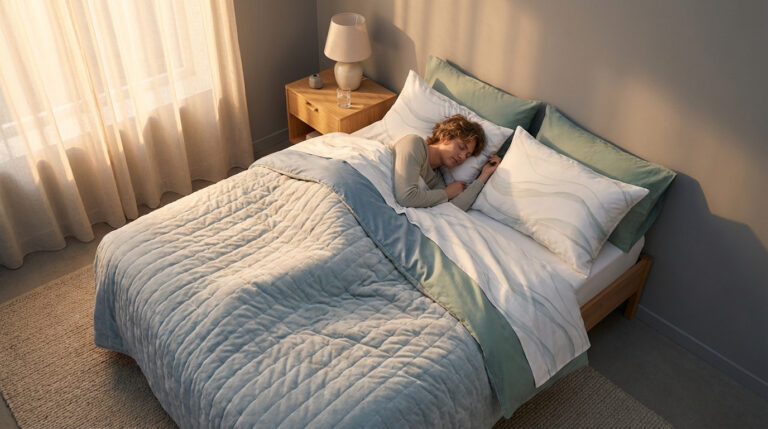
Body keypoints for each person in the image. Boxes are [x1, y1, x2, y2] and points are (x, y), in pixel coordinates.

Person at [392, 114, 501, 211]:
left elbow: (453, 210)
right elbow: (406, 198)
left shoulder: (436, 178)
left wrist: (484, 175)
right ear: (445, 136)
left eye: (468, 155)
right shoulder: (414, 143)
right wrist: (447, 193)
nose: (463, 157)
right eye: (461, 147)